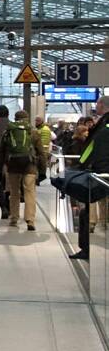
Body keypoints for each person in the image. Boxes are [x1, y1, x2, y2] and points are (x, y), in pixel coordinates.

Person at [73, 96, 109, 260]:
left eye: (97, 104)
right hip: (102, 173)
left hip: (100, 174)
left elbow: (91, 148)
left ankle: (86, 249)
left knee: (86, 213)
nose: (95, 106)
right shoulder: (102, 124)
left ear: (102, 105)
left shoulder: (102, 126)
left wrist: (80, 165)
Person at [0, 108, 38, 230]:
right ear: (26, 118)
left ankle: (14, 218)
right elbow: (41, 152)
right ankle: (30, 221)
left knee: (14, 192)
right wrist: (42, 170)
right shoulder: (33, 131)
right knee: (29, 192)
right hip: (29, 165)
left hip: (13, 165)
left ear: (15, 119)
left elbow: (1, 152)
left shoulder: (8, 131)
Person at [34, 116, 53, 183]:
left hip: (42, 152)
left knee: (40, 167)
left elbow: (44, 143)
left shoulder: (45, 129)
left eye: (37, 121)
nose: (35, 122)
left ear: (41, 121)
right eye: (35, 121)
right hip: (40, 152)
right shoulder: (39, 129)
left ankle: (39, 179)